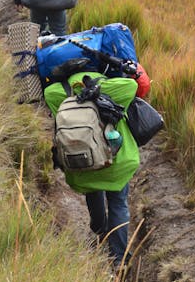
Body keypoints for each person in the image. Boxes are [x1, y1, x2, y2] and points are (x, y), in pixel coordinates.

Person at [43, 72, 140, 269]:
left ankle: (99, 229)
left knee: (92, 188)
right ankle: (119, 258)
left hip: (82, 166)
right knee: (118, 203)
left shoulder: (58, 93)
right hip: (115, 164)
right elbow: (133, 85)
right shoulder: (114, 88)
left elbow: (48, 92)